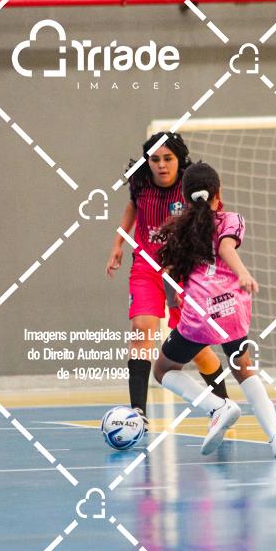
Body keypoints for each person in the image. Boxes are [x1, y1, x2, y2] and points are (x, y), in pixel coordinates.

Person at [152, 161, 276, 458]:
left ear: (185, 197)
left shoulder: (179, 229)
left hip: (199, 315)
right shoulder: (232, 219)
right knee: (244, 368)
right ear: (218, 193)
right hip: (232, 309)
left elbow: (167, 273)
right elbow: (225, 248)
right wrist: (243, 274)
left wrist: (172, 302)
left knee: (163, 370)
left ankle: (217, 407)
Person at [105, 132, 226, 433]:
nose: (161, 165)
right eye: (155, 159)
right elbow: (132, 207)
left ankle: (223, 406)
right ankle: (138, 413)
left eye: (168, 158)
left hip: (182, 270)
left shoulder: (191, 187)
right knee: (141, 329)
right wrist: (118, 243)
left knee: (196, 348)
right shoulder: (140, 181)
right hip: (146, 267)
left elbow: (211, 221)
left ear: (179, 159)